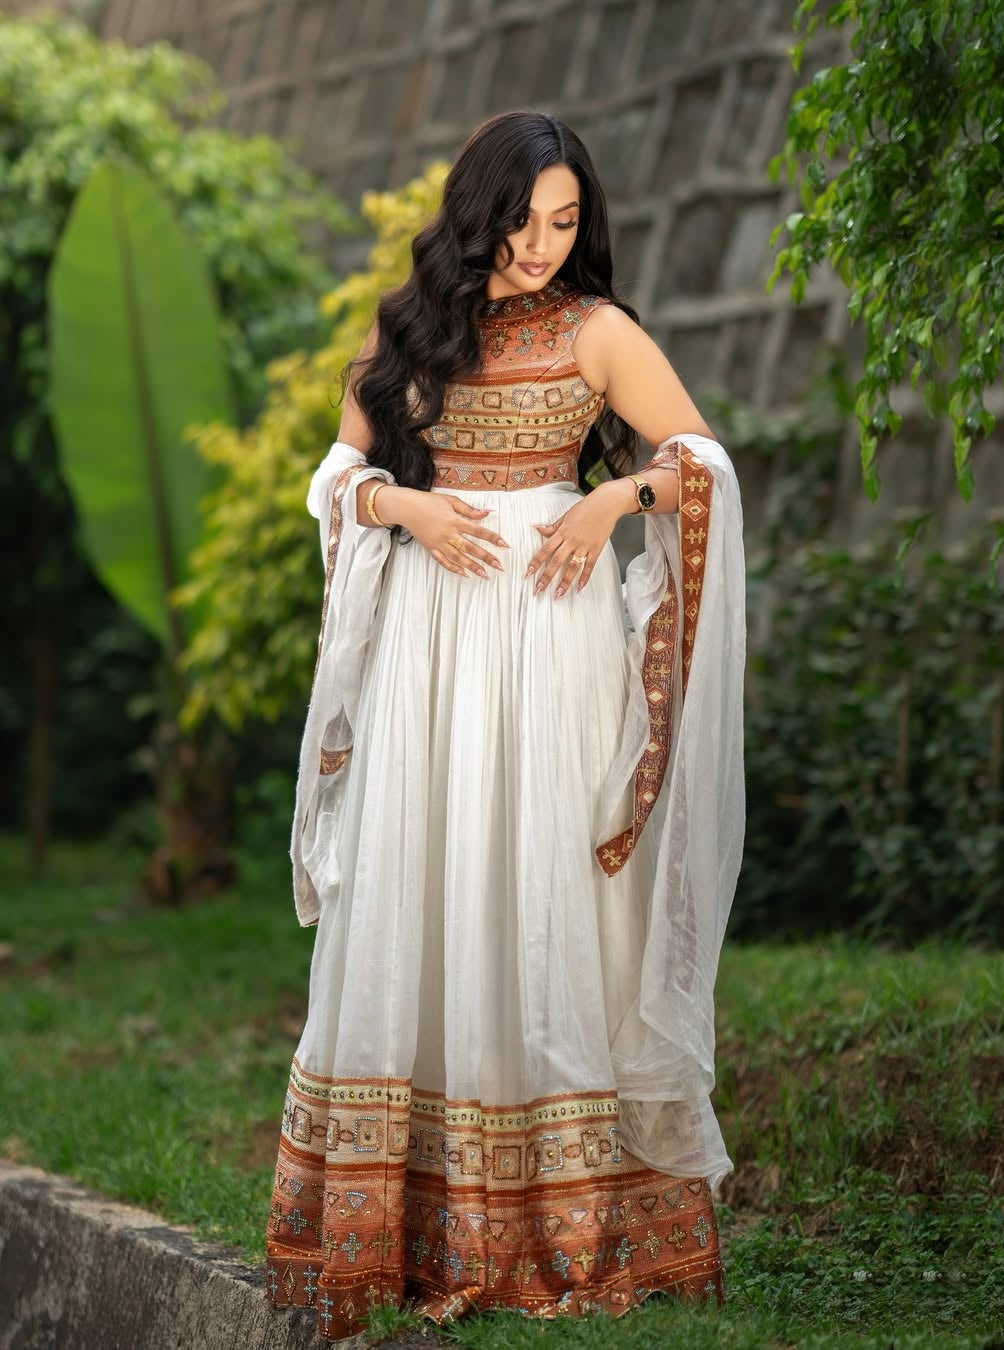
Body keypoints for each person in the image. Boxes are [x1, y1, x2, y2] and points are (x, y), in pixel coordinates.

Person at [265, 109, 746, 1340]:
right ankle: (404, 1233)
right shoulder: (408, 328)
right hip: (431, 644)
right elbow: (334, 478)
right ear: (479, 208)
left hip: (551, 645)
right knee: (417, 883)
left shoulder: (598, 333)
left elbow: (702, 462)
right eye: (525, 219)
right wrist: (399, 509)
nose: (542, 244)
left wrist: (609, 501)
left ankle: (562, 1230)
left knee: (541, 895)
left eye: (566, 220)